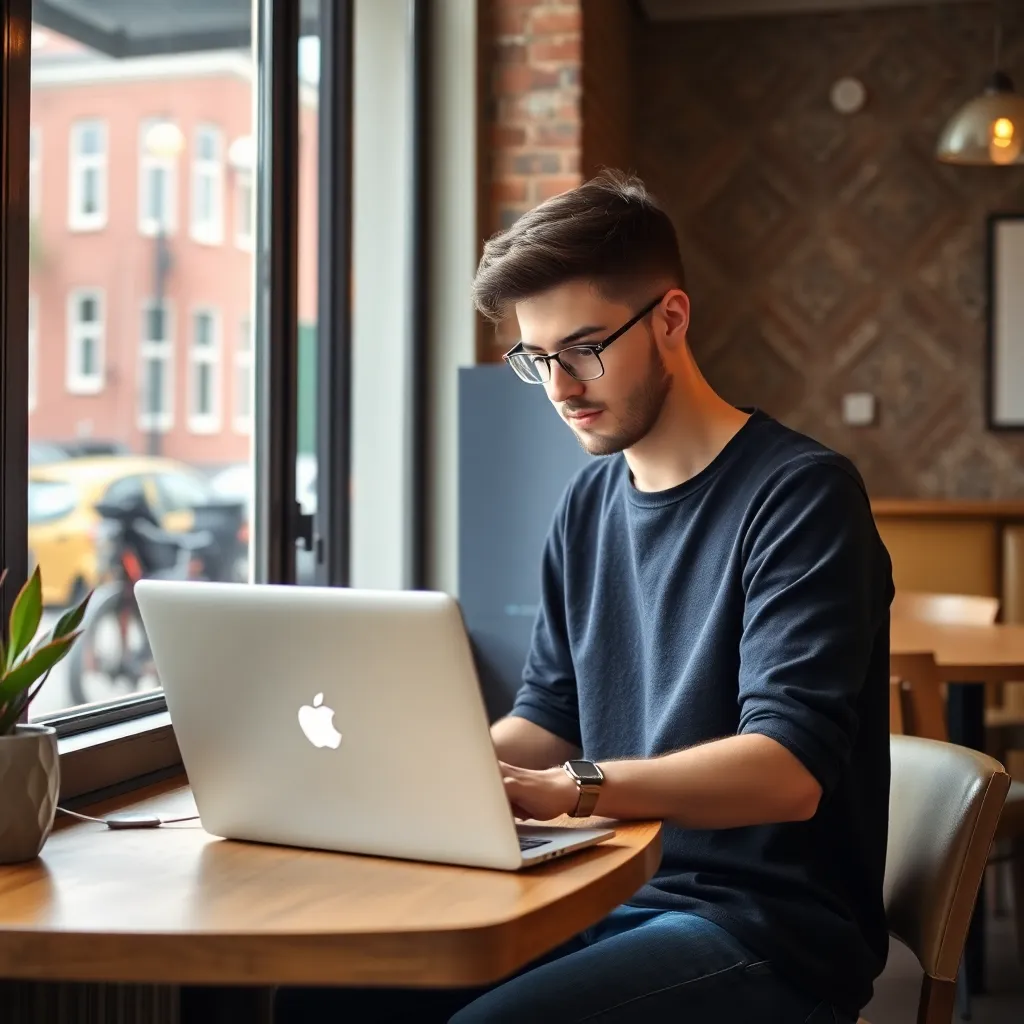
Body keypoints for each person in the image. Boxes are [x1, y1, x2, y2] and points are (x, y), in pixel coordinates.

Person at [274, 170, 893, 1023]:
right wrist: (428, 770)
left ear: (670, 318)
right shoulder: (589, 503)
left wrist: (572, 788)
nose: (561, 387)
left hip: (765, 928)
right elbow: (549, 711)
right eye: (537, 360)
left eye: (583, 348)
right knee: (322, 1002)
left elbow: (788, 772)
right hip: (602, 887)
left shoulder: (802, 496)